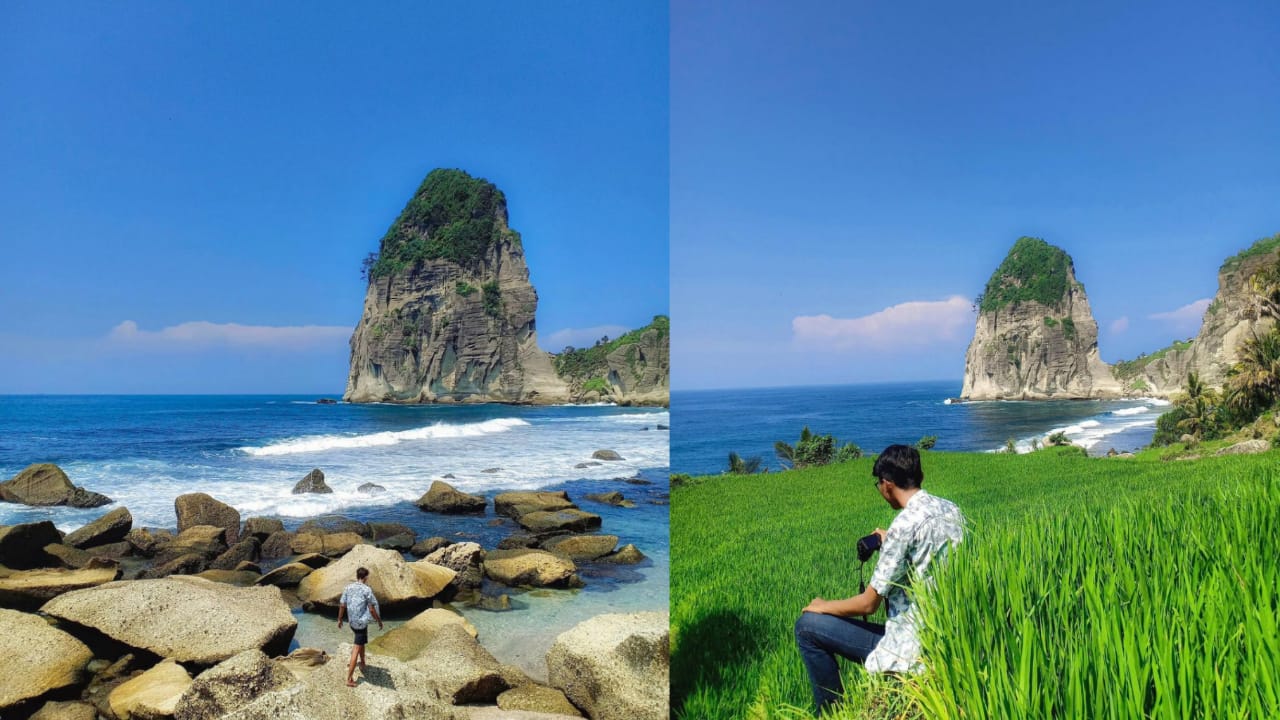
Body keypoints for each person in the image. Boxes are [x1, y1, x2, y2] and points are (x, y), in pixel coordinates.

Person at [793, 444, 964, 714]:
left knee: (807, 627)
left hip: (910, 646)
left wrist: (822, 605)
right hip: (945, 634)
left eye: (879, 485)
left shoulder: (904, 525)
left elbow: (868, 604)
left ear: (887, 484)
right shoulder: (950, 510)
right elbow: (927, 559)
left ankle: (831, 713)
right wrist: (890, 542)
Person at [337, 566, 383, 687]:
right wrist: (379, 621)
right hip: (361, 624)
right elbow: (372, 609)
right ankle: (349, 678)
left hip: (351, 622)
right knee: (356, 649)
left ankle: (362, 662)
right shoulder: (367, 590)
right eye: (368, 576)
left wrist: (340, 619)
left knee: (361, 641)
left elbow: (342, 605)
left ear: (357, 576)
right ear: (366, 577)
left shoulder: (348, 587)